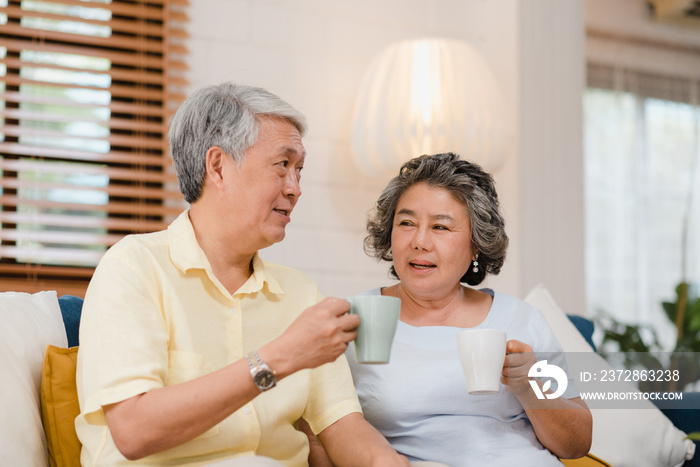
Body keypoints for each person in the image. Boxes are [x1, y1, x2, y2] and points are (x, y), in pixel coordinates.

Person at [74, 82, 410, 467]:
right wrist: (278, 358)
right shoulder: (134, 267)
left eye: (299, 170)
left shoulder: (300, 293)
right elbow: (133, 431)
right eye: (283, 165)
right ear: (218, 167)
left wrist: (387, 461)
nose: (295, 188)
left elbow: (341, 424)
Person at [345, 153, 593, 467]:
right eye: (406, 223)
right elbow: (318, 430)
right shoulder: (355, 320)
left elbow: (578, 444)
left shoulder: (522, 320)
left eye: (441, 227)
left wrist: (530, 387)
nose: (420, 241)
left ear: (476, 243)